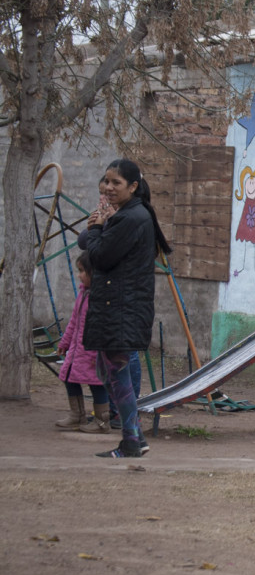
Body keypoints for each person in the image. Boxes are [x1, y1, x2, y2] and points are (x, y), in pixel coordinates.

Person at [80, 158, 171, 458]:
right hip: (117, 307)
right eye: (106, 181)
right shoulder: (125, 214)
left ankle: (133, 440)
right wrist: (99, 225)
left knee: (117, 375)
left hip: (121, 309)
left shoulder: (132, 218)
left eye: (115, 183)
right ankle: (133, 438)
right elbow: (87, 239)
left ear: (133, 186)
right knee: (109, 373)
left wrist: (99, 228)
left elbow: (101, 256)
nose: (108, 187)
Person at [53, 253, 110, 430]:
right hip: (78, 349)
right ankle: (76, 416)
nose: (79, 275)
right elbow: (74, 321)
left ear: (94, 273)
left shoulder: (101, 298)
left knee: (96, 383)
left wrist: (101, 352)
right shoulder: (83, 294)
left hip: (93, 351)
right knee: (68, 376)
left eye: (82, 271)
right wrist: (65, 342)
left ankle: (102, 422)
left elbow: (105, 327)